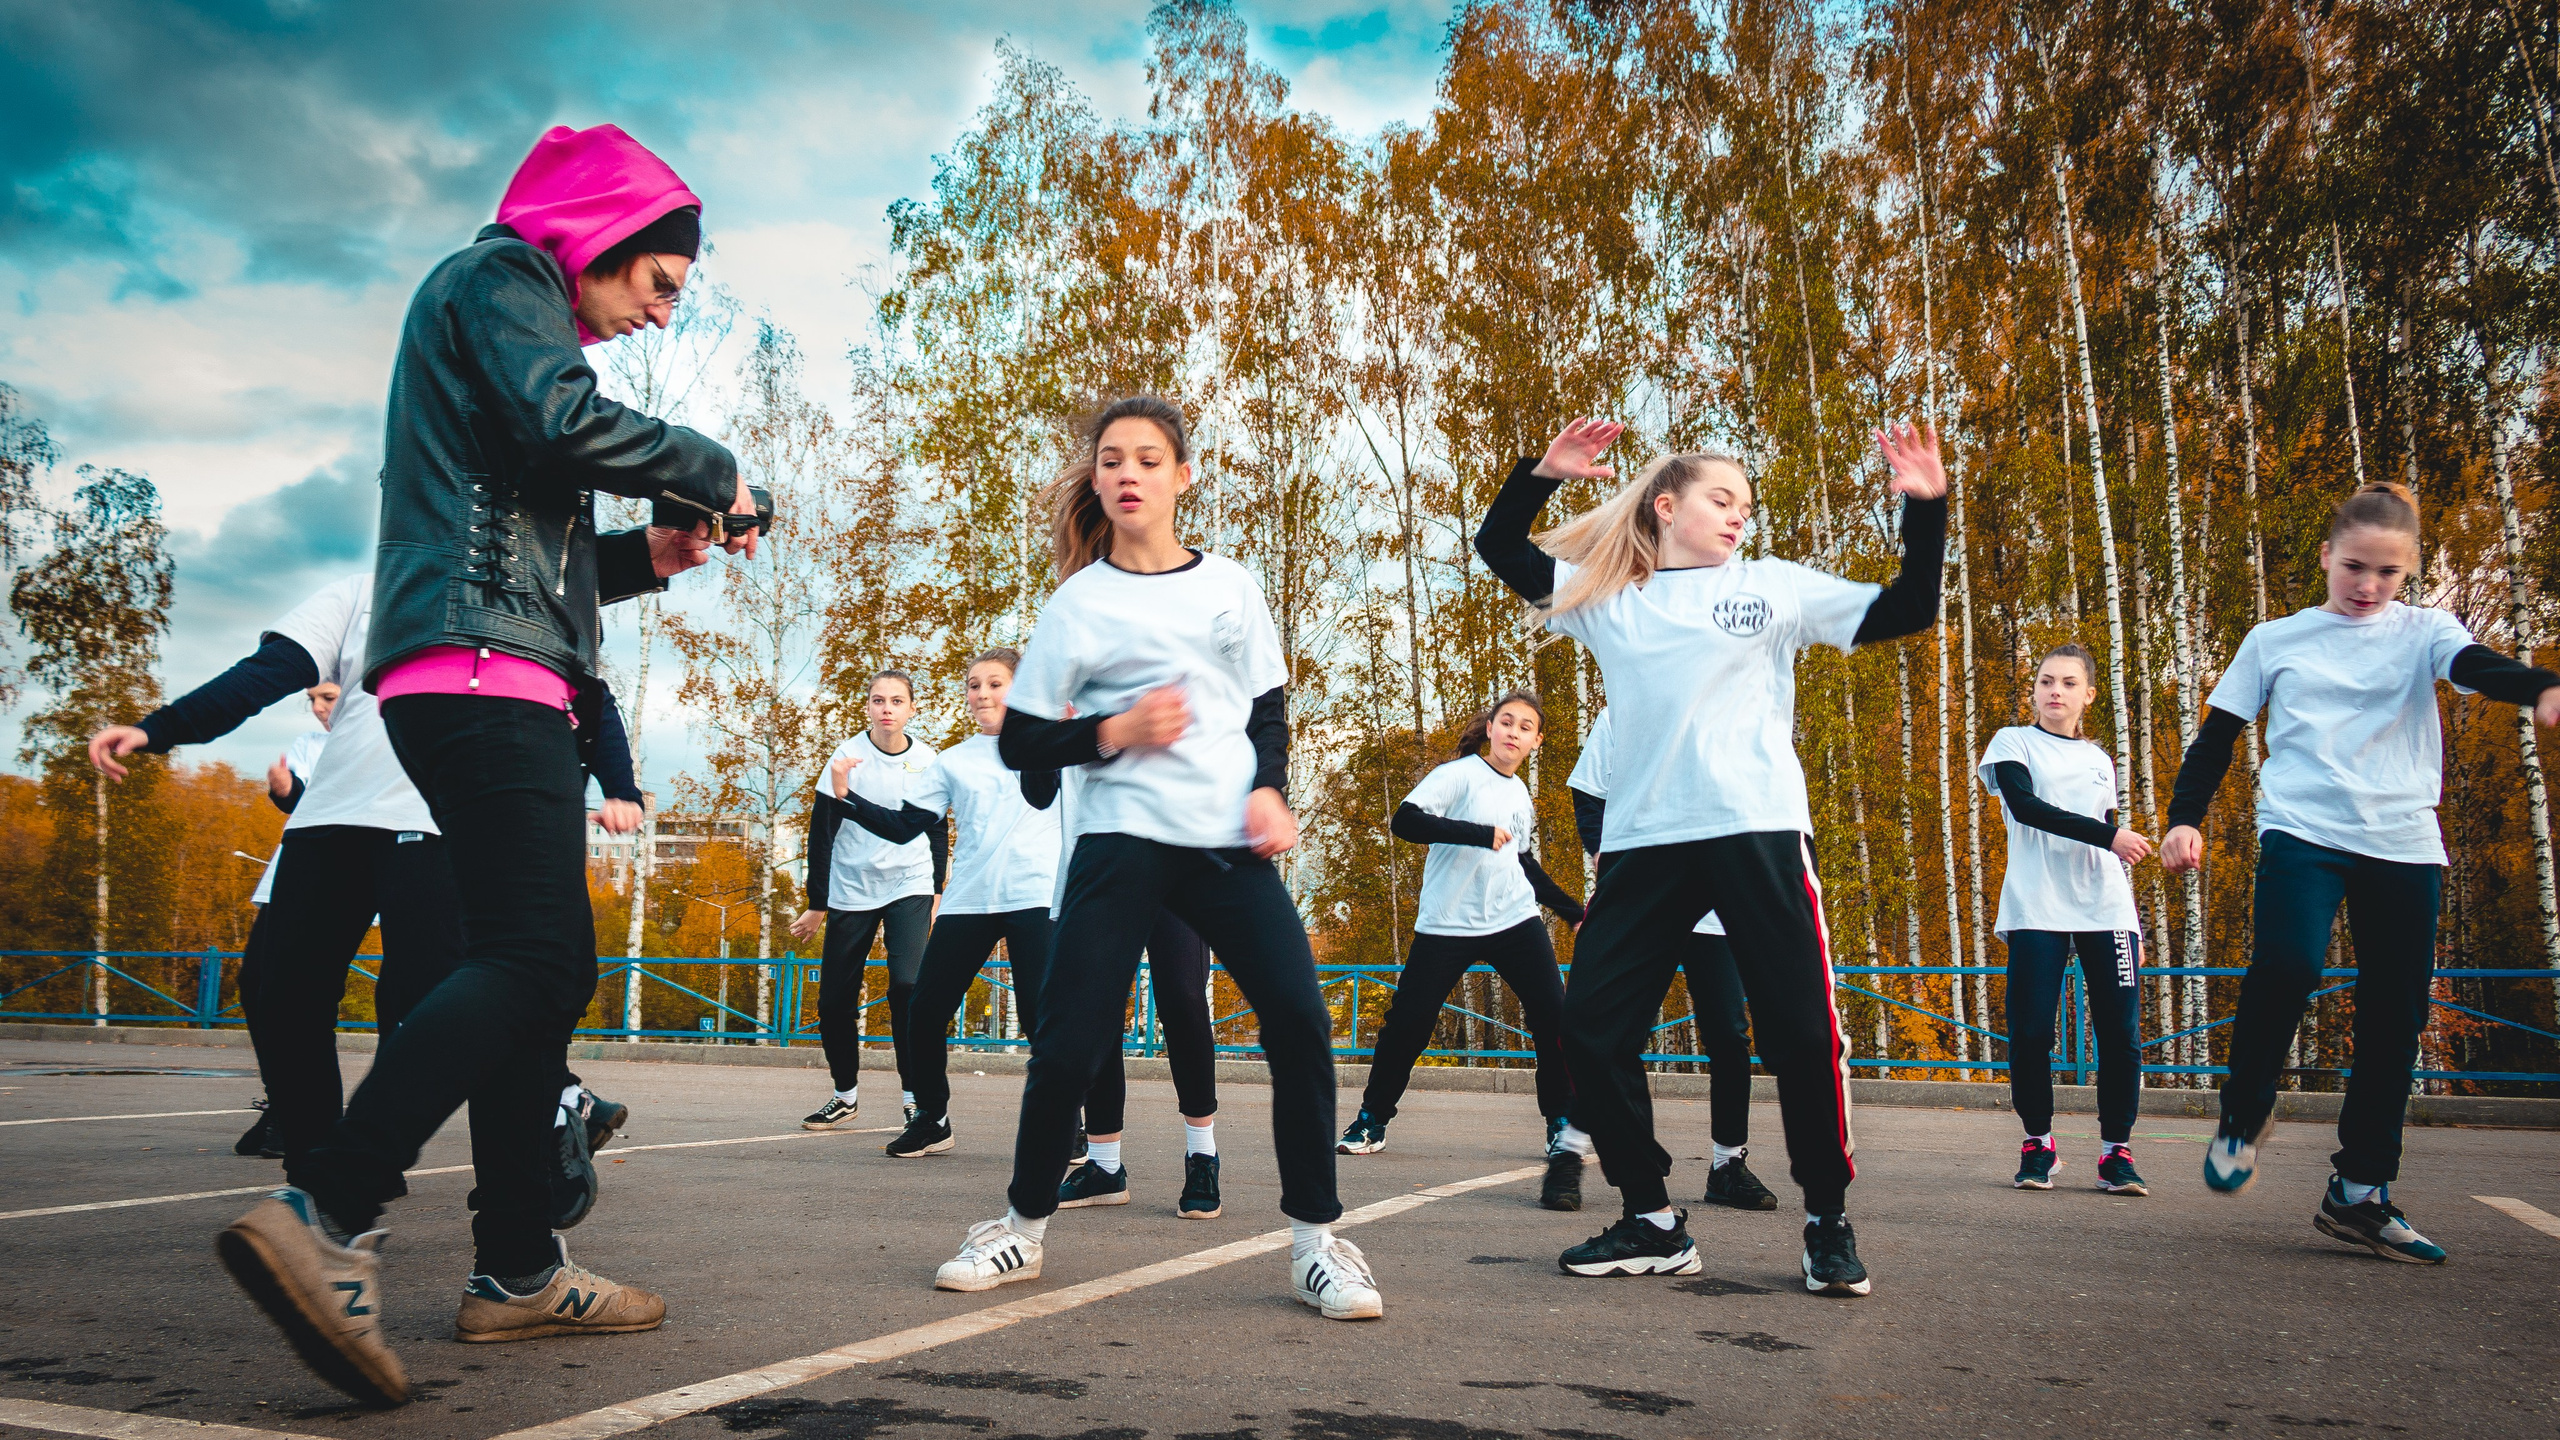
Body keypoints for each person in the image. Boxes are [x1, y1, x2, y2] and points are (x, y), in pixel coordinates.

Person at [121, 124, 758, 1405]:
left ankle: (518, 1268)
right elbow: (562, 425)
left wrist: (653, 555)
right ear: (598, 234)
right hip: (479, 678)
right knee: (538, 961)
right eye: (657, 282)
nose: (660, 311)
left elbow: (524, 524)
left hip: (482, 667)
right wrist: (712, 467)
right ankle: (329, 1213)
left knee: (526, 974)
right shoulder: (500, 280)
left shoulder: (507, 325)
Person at [931, 395, 1381, 1322]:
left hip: (1223, 846)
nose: (1127, 473)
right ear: (1097, 481)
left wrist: (1270, 789)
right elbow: (1022, 742)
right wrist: (1113, 730)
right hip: (1120, 846)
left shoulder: (1232, 586)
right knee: (1069, 1041)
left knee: (1300, 1021)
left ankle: (1317, 1245)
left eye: (1146, 458)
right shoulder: (1078, 603)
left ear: (1184, 476)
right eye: (1111, 460)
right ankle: (1020, 1227)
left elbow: (1266, 710)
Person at [1475, 418, 1945, 1296]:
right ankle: (1652, 1220)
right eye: (1721, 499)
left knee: (1801, 1034)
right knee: (1591, 1031)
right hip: (1645, 842)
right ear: (1666, 506)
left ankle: (1827, 1220)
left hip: (1754, 830)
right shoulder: (1611, 599)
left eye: (1746, 507)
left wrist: (1926, 508)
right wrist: (1542, 474)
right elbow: (1499, 545)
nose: (1738, 516)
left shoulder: (1771, 588)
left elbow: (1910, 606)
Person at [2163, 480, 2560, 1264]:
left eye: (2387, 573)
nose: (2368, 586)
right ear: (2326, 557)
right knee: (2288, 965)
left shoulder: (2425, 630)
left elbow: (2475, 665)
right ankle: (2244, 1113)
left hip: (2403, 840)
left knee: (2395, 1010)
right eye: (2354, 567)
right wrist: (2185, 817)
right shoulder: (2275, 639)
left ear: (2407, 573)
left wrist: (2538, 685)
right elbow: (2217, 737)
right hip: (2303, 830)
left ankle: (2360, 1192)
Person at [1336, 690, 1584, 1176]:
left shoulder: (1520, 794)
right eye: (1506, 722)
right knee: (1408, 1024)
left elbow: (1522, 862)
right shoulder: (1458, 774)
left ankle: (1560, 1124)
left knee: (1555, 1018)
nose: (1514, 732)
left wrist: (1572, 911)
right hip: (1447, 923)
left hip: (1514, 920)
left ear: (1536, 741)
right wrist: (1478, 833)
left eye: (1526, 727)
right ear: (1490, 728)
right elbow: (1405, 821)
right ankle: (1371, 1121)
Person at [829, 649, 1059, 1159]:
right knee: (924, 1009)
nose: (982, 694)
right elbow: (904, 826)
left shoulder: (1052, 749)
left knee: (1040, 1017)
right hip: (969, 901)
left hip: (1035, 897)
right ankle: (932, 1119)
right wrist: (849, 798)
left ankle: (1071, 1127)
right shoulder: (953, 761)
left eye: (995, 684)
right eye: (974, 685)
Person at [1564, 706, 1779, 1215]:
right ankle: (1569, 1150)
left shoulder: (1735, 705)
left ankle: (1727, 1165)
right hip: (1646, 901)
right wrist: (1607, 861)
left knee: (1730, 1035)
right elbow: (1589, 792)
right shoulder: (1626, 705)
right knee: (1609, 1033)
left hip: (1715, 911)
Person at [1977, 643, 2153, 1194]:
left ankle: (2116, 1153)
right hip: (2037, 903)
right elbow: (2027, 808)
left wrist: (2132, 916)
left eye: (2069, 683)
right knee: (2030, 1030)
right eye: (2046, 681)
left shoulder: (2100, 760)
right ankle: (2039, 1145)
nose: (2056, 691)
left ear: (2089, 694)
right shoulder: (2013, 742)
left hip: (2106, 907)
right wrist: (2110, 835)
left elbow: (2110, 842)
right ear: (2034, 690)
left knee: (2119, 1033)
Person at [792, 669, 945, 1128]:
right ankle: (844, 1095)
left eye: (897, 701)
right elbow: (821, 834)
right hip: (852, 886)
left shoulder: (928, 760)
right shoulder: (845, 757)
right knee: (834, 999)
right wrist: (817, 902)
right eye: (879, 700)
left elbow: (937, 831)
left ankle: (915, 1098)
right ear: (868, 707)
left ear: (912, 708)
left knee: (908, 987)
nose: (887, 709)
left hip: (909, 883)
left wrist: (937, 891)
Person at [1062, 911, 1225, 1219]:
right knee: (1097, 1001)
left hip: (1180, 886)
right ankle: (1104, 1167)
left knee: (1184, 995)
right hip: (1109, 883)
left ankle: (1203, 1157)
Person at [234, 683, 339, 1159]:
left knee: (319, 995)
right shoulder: (309, 744)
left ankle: (355, 1130)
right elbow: (297, 796)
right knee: (258, 983)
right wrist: (283, 788)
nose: (317, 708)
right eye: (312, 699)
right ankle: (285, 1102)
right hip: (297, 870)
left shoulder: (392, 733)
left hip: (366, 870)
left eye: (328, 697)